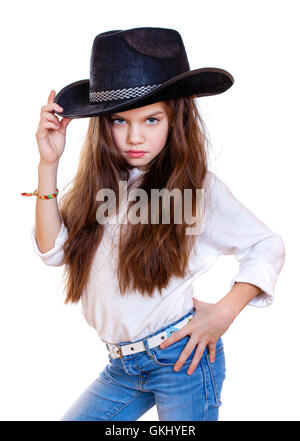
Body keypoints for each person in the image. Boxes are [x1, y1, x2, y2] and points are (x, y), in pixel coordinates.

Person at [24, 27, 285, 421]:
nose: (133, 137)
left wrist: (224, 312)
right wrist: (48, 164)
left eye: (150, 120)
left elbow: (266, 244)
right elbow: (53, 250)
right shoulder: (101, 186)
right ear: (102, 124)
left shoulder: (197, 188)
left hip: (182, 358)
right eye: (118, 121)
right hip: (122, 368)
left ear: (174, 118)